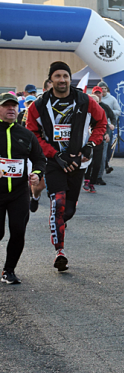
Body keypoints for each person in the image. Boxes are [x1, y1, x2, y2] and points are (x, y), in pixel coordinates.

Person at [25, 61, 106, 271]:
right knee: (58, 203)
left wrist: (90, 145)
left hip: (78, 162)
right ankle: (59, 251)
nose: (62, 80)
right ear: (50, 80)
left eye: (65, 76)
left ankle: (59, 222)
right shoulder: (39, 105)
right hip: (53, 162)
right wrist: (53, 154)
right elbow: (31, 133)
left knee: (67, 210)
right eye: (58, 76)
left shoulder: (85, 101)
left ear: (71, 79)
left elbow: (101, 122)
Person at [0, 93, 46, 284]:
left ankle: (8, 271)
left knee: (18, 231)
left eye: (14, 106)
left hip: (19, 192)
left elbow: (39, 159)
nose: (11, 109)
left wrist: (37, 173)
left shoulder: (26, 134)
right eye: (6, 106)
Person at [84, 87, 115, 193]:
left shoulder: (102, 110)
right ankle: (87, 181)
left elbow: (103, 125)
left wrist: (106, 134)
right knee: (89, 161)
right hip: (87, 140)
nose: (96, 103)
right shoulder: (85, 112)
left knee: (98, 162)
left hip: (99, 139)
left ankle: (93, 182)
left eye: (97, 101)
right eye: (93, 101)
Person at [97, 81, 121, 180]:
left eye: (105, 89)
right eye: (101, 89)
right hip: (97, 125)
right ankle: (101, 167)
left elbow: (118, 111)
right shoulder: (94, 99)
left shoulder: (111, 99)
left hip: (108, 126)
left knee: (106, 147)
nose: (103, 91)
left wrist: (108, 112)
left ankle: (105, 164)